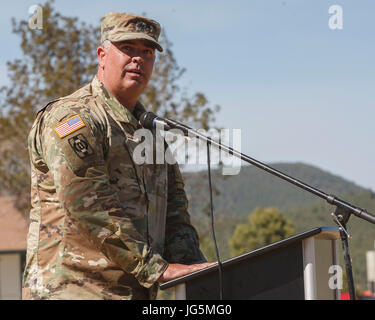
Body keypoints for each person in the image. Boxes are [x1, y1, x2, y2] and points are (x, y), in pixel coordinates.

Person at [23, 12, 214, 300]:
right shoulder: (74, 118)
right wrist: (155, 269)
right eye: (128, 49)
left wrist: (200, 274)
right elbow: (88, 204)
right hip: (72, 292)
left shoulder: (151, 133)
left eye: (147, 52)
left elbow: (175, 215)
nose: (138, 59)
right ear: (102, 55)